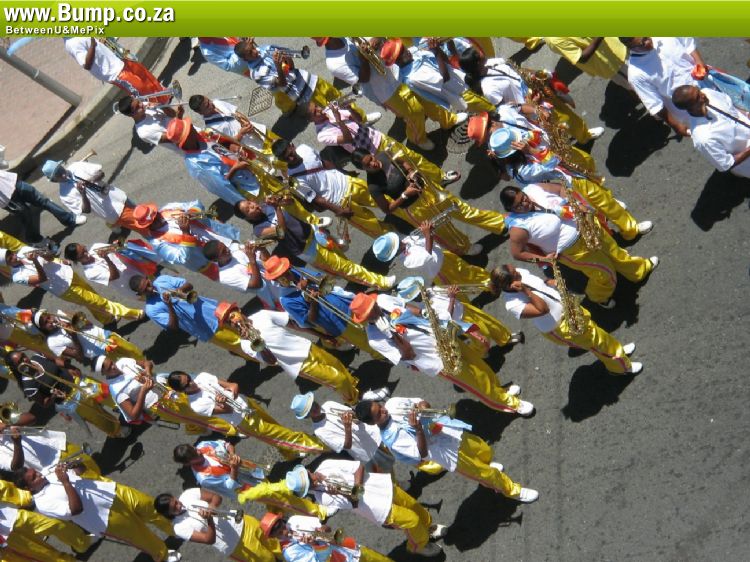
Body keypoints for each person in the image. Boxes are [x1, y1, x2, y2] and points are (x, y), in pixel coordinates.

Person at [349, 292, 534, 415]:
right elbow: (408, 354)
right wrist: (391, 333)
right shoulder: (375, 338)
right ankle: (510, 404)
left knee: (479, 367)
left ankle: (500, 391)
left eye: (373, 306)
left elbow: (407, 307)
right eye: (370, 312)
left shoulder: (383, 300)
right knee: (476, 383)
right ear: (365, 319)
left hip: (444, 337)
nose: (376, 310)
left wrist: (425, 313)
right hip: (438, 360)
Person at [486, 120, 653, 242]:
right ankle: (621, 235)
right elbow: (552, 161)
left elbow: (537, 135)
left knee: (604, 203)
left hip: (571, 178)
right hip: (567, 190)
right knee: (598, 210)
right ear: (514, 150)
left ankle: (626, 231)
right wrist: (531, 150)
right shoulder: (522, 170)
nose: (520, 140)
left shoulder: (519, 155)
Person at [500, 183, 659, 308]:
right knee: (604, 273)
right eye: (519, 205)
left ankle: (639, 271)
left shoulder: (534, 189)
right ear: (511, 210)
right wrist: (544, 259)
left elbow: (560, 189)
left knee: (615, 252)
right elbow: (517, 253)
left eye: (524, 198)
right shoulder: (518, 228)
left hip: (588, 226)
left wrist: (575, 204)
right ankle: (599, 296)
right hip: (573, 251)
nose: (525, 203)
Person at [355, 397, 539, 502]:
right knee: (486, 473)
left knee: (484, 451)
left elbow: (421, 401)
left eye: (380, 407)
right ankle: (512, 490)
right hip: (445, 453)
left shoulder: (393, 403)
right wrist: (418, 429)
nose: (384, 411)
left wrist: (423, 407)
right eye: (378, 414)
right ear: (372, 423)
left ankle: (487, 476)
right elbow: (422, 453)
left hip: (449, 430)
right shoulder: (391, 438)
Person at [350, 148, 506, 256]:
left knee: (463, 210)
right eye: (367, 165)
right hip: (415, 208)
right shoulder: (373, 185)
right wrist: (405, 195)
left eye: (371, 159)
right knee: (445, 230)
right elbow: (387, 209)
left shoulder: (384, 154)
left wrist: (411, 172)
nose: (373, 163)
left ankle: (499, 223)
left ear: (372, 154)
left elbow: (403, 162)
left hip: (428, 191)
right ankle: (465, 248)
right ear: (363, 169)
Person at [13, 463, 180, 562]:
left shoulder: (48, 471)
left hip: (111, 491)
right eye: (34, 477)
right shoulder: (43, 504)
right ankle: (163, 555)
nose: (40, 474)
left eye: (35, 472)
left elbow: (82, 472)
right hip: (105, 518)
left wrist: (76, 466)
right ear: (28, 488)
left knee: (150, 506)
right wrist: (65, 482)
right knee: (140, 536)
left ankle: (177, 529)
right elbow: (75, 509)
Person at [497, 263, 642, 374]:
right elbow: (542, 309)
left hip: (569, 307)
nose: (519, 272)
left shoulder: (520, 273)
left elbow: (540, 283)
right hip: (560, 327)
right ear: (510, 285)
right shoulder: (513, 304)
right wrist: (525, 291)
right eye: (515, 274)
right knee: (596, 341)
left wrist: (549, 282)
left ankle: (616, 351)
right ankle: (621, 367)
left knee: (596, 333)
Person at [229, 197, 396, 290]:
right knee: (346, 268)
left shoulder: (267, 205)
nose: (253, 206)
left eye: (250, 203)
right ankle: (381, 283)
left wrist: (284, 200)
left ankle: (361, 279)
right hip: (307, 250)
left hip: (315, 234)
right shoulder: (259, 230)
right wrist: (278, 208)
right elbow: (281, 230)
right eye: (248, 210)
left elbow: (291, 203)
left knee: (344, 263)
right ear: (247, 218)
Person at [287, 461, 446, 556]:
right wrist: (340, 492)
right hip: (377, 508)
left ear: (308, 471)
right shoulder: (323, 498)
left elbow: (358, 467)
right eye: (310, 486)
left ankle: (428, 528)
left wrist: (356, 487)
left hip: (382, 486)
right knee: (412, 521)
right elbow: (354, 503)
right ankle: (418, 546)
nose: (314, 483)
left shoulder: (326, 464)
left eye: (310, 478)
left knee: (414, 506)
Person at [167, 370, 329, 458]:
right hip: (243, 420)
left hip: (248, 404)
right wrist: (224, 401)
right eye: (187, 385)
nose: (192, 383)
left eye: (189, 378)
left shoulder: (202, 377)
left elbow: (232, 385)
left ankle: (290, 453)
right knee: (282, 434)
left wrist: (232, 390)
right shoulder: (196, 405)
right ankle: (321, 447)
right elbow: (227, 410)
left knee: (275, 429)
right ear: (181, 391)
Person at [458, 47, 604, 144]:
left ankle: (584, 135)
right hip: (531, 106)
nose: (481, 51)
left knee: (566, 113)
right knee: (560, 122)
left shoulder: (493, 62)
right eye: (478, 53)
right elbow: (509, 108)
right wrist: (533, 105)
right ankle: (570, 140)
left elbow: (518, 70)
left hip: (536, 90)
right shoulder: (489, 89)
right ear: (478, 62)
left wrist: (538, 74)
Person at [315, 36, 435, 149]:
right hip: (384, 90)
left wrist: (378, 38)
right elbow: (363, 79)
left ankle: (442, 120)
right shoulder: (334, 64)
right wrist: (364, 58)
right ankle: (418, 139)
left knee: (426, 97)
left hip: (395, 68)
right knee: (415, 112)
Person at [235, 308, 362, 405]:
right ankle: (354, 401)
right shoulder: (245, 344)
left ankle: (355, 387)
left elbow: (292, 324)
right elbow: (271, 361)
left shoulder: (262, 314)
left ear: (239, 311)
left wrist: (323, 336)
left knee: (337, 365)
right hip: (298, 365)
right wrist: (256, 342)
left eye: (232, 316)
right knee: (338, 380)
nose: (233, 322)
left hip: (307, 346)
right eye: (228, 322)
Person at [309, 101, 452, 186]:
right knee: (399, 173)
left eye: (317, 106)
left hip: (379, 138)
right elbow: (348, 139)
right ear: (311, 119)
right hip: (371, 154)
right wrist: (339, 120)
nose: (320, 110)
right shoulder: (322, 135)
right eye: (315, 112)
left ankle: (440, 177)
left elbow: (359, 120)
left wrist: (350, 109)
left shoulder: (329, 111)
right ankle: (423, 189)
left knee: (411, 157)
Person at [263, 256, 380, 359]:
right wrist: (313, 301)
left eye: (286, 272)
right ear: (275, 280)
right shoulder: (286, 300)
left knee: (374, 322)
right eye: (282, 277)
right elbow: (310, 320)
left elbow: (322, 278)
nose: (287, 276)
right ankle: (382, 355)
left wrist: (307, 280)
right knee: (365, 342)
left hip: (345, 303)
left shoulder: (296, 272)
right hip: (337, 322)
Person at [272, 139, 392, 239]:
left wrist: (345, 172)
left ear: (292, 146)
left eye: (290, 154)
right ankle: (396, 240)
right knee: (373, 226)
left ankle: (403, 214)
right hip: (341, 203)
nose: (291, 159)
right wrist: (339, 210)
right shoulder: (294, 180)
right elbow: (316, 199)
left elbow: (324, 163)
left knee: (388, 202)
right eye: (286, 159)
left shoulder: (305, 149)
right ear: (281, 160)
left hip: (349, 183)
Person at [234, 38, 374, 119]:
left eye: (253, 48)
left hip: (310, 79)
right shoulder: (256, 74)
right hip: (303, 94)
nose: (255, 51)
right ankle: (357, 128)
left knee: (340, 97)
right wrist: (277, 66)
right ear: (245, 58)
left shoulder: (265, 49)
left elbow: (291, 67)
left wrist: (286, 58)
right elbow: (281, 84)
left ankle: (363, 118)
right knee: (333, 113)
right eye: (250, 53)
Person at [4, 349, 129, 439]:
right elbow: (44, 403)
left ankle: (127, 408)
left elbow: (55, 360)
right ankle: (117, 430)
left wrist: (69, 367)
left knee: (108, 393)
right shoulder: (29, 386)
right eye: (20, 361)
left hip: (79, 382)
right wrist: (53, 395)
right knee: (98, 417)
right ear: (15, 367)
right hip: (72, 400)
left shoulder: (38, 357)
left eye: (23, 356)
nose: (25, 360)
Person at [129, 273, 255, 361]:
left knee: (246, 325)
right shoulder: (151, 309)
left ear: (147, 278)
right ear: (139, 294)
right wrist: (169, 306)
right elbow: (172, 327)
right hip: (206, 329)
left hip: (212, 309)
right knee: (240, 345)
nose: (150, 289)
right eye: (145, 290)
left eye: (148, 284)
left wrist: (179, 290)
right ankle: (261, 358)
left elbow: (188, 285)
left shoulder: (162, 280)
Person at [1, 246, 141, 324]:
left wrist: (42, 253)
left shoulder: (24, 251)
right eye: (9, 258)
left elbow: (50, 257)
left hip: (69, 274)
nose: (14, 256)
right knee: (99, 302)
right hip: (64, 289)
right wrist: (36, 261)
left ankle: (106, 319)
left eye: (11, 253)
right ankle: (134, 314)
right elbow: (42, 278)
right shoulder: (17, 276)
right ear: (6, 264)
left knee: (92, 298)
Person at [395, 276, 524, 357]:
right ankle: (480, 354)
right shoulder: (425, 309)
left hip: (465, 309)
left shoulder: (431, 290)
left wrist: (452, 291)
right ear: (415, 297)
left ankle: (506, 338)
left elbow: (449, 292)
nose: (424, 289)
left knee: (491, 323)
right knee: (482, 339)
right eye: (420, 291)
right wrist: (452, 298)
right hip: (461, 321)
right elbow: (446, 318)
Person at [154, 487, 281, 562]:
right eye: (174, 508)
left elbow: (216, 497)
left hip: (243, 522)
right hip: (235, 545)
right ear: (168, 514)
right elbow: (208, 539)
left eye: (176, 501)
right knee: (267, 560)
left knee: (277, 542)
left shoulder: (187, 494)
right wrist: (209, 519)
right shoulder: (178, 528)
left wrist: (212, 506)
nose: (179, 505)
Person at [371, 222, 502, 291]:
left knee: (468, 270)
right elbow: (426, 255)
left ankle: (490, 281)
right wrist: (428, 234)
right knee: (460, 284)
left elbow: (424, 241)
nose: (400, 240)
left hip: (445, 257)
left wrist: (428, 231)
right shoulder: (407, 261)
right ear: (396, 250)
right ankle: (490, 285)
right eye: (397, 242)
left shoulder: (405, 241)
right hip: (442, 271)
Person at [620, 37, 706, 137]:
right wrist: (677, 126)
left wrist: (699, 62)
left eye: (646, 37)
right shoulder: (636, 75)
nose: (648, 42)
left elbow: (687, 42)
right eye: (642, 44)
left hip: (708, 86)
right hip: (693, 111)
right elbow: (655, 105)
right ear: (629, 46)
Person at [130, 200, 240, 276]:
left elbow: (196, 203)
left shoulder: (169, 208)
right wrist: (185, 233)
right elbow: (183, 258)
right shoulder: (158, 244)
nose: (159, 217)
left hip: (223, 237)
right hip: (215, 262)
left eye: (156, 214)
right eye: (154, 219)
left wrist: (191, 213)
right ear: (148, 225)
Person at [291, 391, 393, 472]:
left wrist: (353, 415)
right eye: (310, 410)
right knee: (387, 474)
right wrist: (347, 428)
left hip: (374, 433)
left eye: (313, 404)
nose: (315, 407)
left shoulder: (328, 404)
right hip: (367, 452)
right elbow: (346, 446)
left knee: (395, 453)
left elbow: (354, 414)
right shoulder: (319, 431)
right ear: (307, 416)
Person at [380, 38, 479, 120]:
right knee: (483, 109)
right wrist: (436, 52)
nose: (407, 50)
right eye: (402, 52)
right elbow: (445, 77)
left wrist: (441, 46)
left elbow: (447, 63)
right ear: (396, 61)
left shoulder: (414, 53)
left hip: (461, 79)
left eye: (403, 47)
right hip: (463, 94)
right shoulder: (413, 78)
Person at [672, 84, 750, 177]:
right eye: (697, 97)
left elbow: (730, 106)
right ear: (690, 108)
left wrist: (747, 114)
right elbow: (726, 165)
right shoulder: (703, 138)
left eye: (698, 91)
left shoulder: (708, 93)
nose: (703, 95)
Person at [41, 158, 136, 232]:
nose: (63, 175)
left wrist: (90, 180)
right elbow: (86, 210)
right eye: (58, 175)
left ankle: (113, 225)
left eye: (60, 170)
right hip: (111, 213)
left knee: (137, 210)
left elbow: (101, 173)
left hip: (117, 196)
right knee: (138, 222)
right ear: (54, 180)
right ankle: (114, 224)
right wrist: (83, 194)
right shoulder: (64, 195)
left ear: (61, 165)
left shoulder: (76, 166)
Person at [63, 37, 169, 101]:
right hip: (115, 72)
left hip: (120, 57)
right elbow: (86, 64)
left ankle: (164, 96)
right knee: (142, 90)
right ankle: (165, 111)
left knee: (146, 78)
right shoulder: (72, 44)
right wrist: (92, 45)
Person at [262, 512, 394, 562]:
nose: (283, 530)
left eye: (280, 524)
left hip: (351, 548)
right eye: (277, 531)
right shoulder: (290, 552)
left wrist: (323, 529)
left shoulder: (294, 520)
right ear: (272, 536)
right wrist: (313, 544)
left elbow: (327, 529)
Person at [0, 169, 82, 246]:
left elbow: (4, 164)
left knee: (43, 201)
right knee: (27, 217)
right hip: (6, 199)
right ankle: (35, 240)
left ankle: (69, 219)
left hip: (12, 181)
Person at [33, 308, 144, 364]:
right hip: (100, 353)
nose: (50, 321)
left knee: (135, 352)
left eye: (48, 317)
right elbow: (79, 357)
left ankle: (148, 366)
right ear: (42, 328)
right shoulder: (52, 342)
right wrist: (74, 336)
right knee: (128, 364)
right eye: (46, 323)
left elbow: (89, 323)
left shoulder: (61, 314)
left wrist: (71, 323)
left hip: (106, 336)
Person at [64, 240, 161, 302]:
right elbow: (115, 276)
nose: (87, 254)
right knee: (152, 298)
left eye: (84, 249)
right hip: (127, 285)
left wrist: (117, 245)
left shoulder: (96, 246)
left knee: (156, 284)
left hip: (134, 270)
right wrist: (107, 259)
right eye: (82, 255)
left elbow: (116, 248)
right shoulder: (90, 273)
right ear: (77, 260)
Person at [0, 500, 93, 562]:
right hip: (6, 539)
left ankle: (83, 543)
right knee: (45, 554)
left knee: (56, 524)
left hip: (14, 516)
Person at [173, 441, 265, 499]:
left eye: (194, 448)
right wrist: (234, 468)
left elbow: (226, 444)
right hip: (247, 486)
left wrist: (232, 454)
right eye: (195, 455)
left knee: (266, 476)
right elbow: (230, 486)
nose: (199, 452)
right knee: (268, 494)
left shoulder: (203, 445)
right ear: (188, 463)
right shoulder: (204, 478)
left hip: (250, 468)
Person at [544, 37, 631, 89]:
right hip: (613, 64)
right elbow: (582, 58)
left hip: (618, 43)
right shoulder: (554, 40)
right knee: (636, 85)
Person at [115, 94, 182, 153]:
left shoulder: (145, 105)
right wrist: (179, 117)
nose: (141, 105)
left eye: (139, 101)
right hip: (184, 145)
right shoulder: (144, 133)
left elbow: (173, 114)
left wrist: (162, 106)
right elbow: (174, 138)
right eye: (137, 107)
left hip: (184, 126)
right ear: (131, 115)